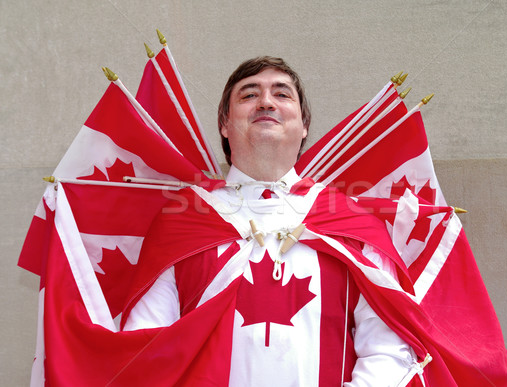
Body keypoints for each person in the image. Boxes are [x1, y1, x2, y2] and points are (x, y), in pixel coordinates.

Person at [123, 57, 422, 386]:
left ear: (304, 125)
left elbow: (389, 349)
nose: (266, 101)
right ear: (224, 124)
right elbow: (146, 348)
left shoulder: (353, 225)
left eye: (282, 94)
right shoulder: (182, 222)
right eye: (249, 94)